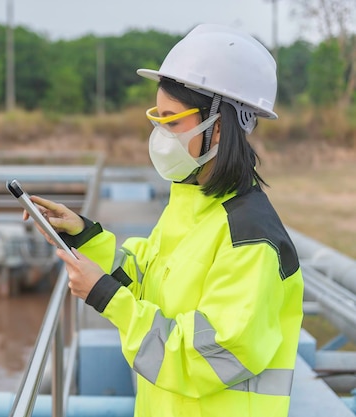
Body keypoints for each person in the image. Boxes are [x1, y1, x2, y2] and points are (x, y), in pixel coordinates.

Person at [24, 24, 304, 417]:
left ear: (219, 127)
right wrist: (84, 235)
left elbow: (204, 360)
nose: (159, 134)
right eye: (157, 119)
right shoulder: (190, 205)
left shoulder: (251, 239)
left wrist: (107, 298)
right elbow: (147, 282)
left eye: (172, 121)